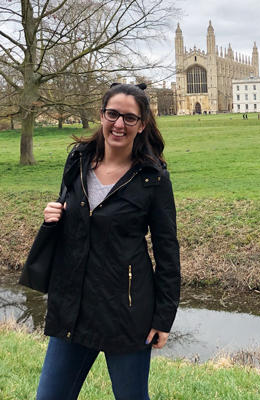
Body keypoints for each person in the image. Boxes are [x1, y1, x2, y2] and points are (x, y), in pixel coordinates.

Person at [36, 83, 181, 400]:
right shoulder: (78, 160)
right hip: (73, 307)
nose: (119, 124)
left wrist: (163, 319)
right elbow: (72, 215)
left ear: (141, 124)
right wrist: (53, 215)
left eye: (129, 118)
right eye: (112, 114)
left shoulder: (152, 178)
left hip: (126, 315)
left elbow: (168, 253)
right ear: (101, 115)